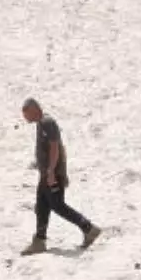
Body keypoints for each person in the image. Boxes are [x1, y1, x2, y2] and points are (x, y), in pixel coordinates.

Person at [19, 99, 102, 256]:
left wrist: (51, 172)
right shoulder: (41, 123)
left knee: (57, 205)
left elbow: (55, 147)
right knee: (42, 206)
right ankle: (39, 241)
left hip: (53, 174)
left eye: (26, 114)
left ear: (34, 110)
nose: (25, 119)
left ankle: (89, 228)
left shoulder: (47, 122)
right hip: (46, 174)